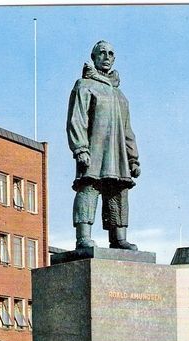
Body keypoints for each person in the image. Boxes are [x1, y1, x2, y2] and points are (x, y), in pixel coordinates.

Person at [67, 40, 141, 250]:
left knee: (118, 191)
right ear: (94, 57)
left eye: (111, 53)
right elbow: (77, 119)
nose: (107, 56)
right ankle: (83, 236)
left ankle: (118, 237)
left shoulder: (120, 95)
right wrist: (80, 148)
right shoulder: (84, 85)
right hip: (95, 150)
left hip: (117, 154)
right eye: (102, 52)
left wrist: (133, 158)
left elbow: (128, 130)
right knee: (89, 187)